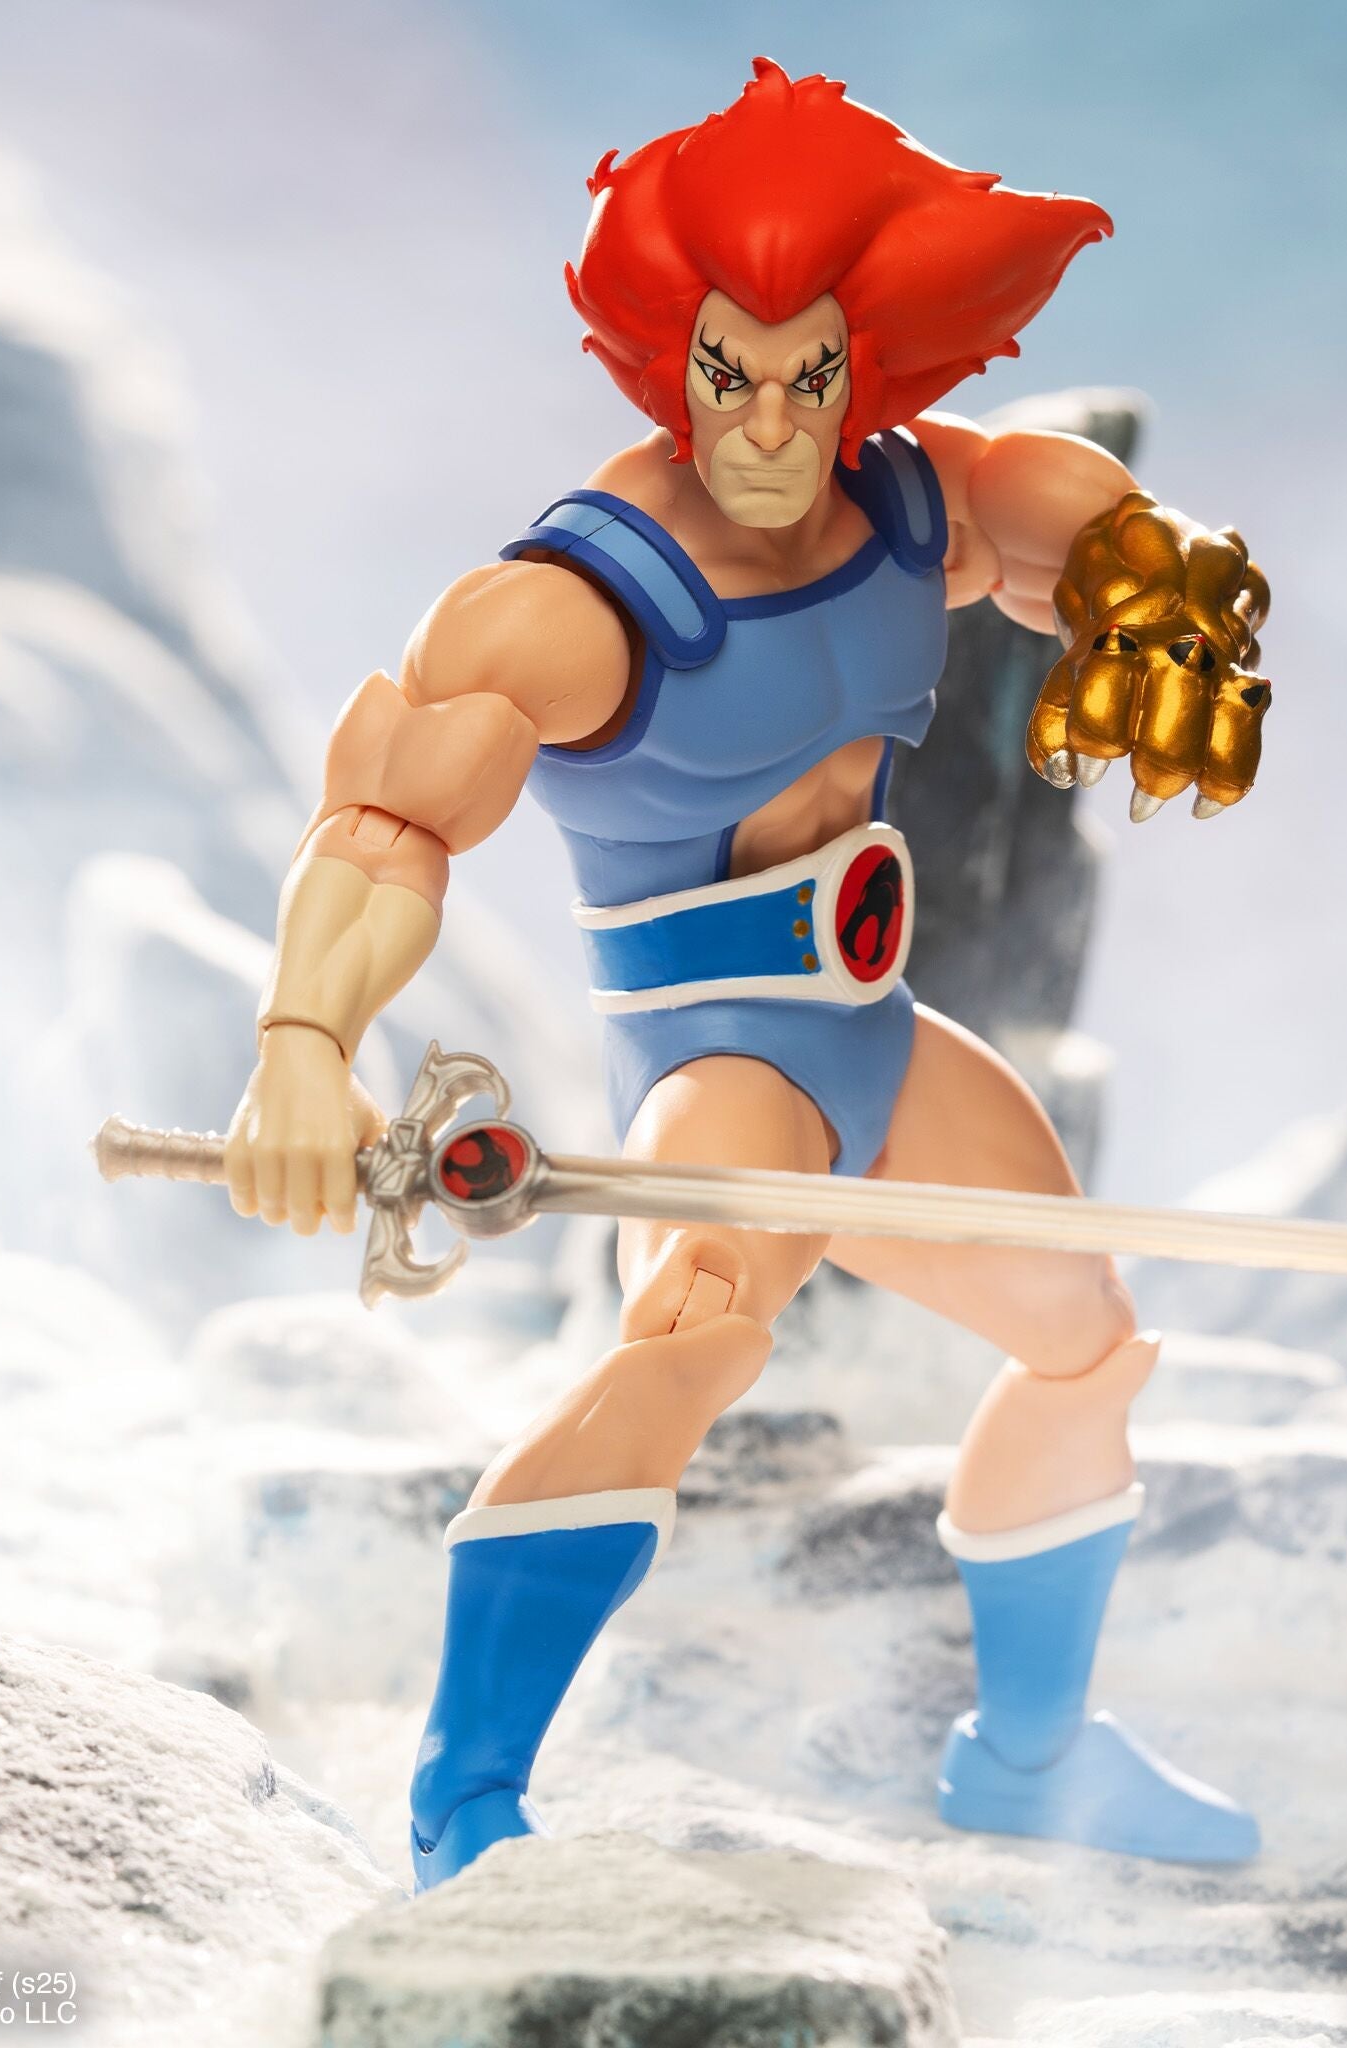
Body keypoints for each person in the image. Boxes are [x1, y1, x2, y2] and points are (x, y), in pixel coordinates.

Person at [223, 59, 1272, 1889]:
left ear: (868, 366)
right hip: (727, 1069)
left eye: (810, 377)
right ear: (670, 361)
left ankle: (1027, 1758)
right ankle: (464, 1799)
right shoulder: (581, 605)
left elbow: (1069, 514)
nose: (772, 426)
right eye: (731, 374)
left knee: (1085, 1341)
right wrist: (304, 1044)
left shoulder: (913, 508)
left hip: (878, 1041)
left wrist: (1160, 588)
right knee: (688, 1341)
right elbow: (387, 820)